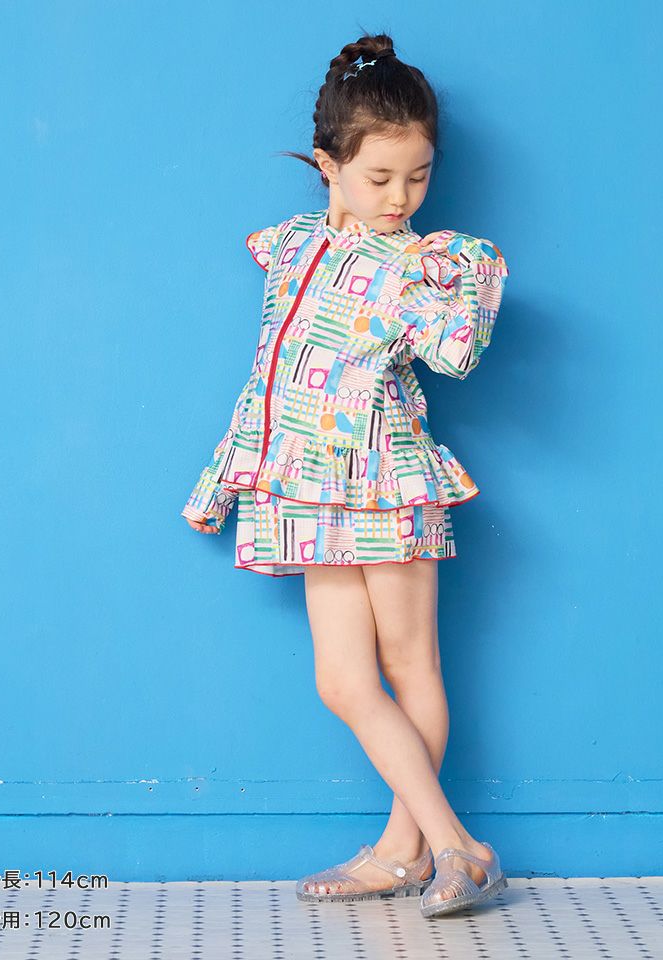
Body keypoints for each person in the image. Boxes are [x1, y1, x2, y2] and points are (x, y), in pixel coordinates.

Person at [180, 32, 510, 919]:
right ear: (328, 166)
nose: (400, 198)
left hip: (387, 477)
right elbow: (269, 377)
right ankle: (451, 846)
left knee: (411, 663)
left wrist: (470, 277)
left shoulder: (419, 265)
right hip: (303, 487)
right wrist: (225, 479)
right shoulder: (290, 249)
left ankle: (415, 850)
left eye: (419, 177)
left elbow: (457, 357)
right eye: (380, 178)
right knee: (343, 682)